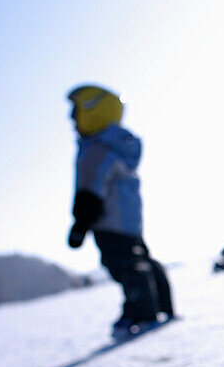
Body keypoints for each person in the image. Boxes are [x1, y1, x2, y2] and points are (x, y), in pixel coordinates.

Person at [67, 85, 175, 338]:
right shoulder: (120, 147)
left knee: (123, 265)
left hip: (109, 220)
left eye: (76, 111)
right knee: (139, 258)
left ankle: (142, 312)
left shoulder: (96, 150)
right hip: (130, 221)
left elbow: (91, 190)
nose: (71, 118)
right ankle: (162, 305)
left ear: (93, 112)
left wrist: (80, 225)